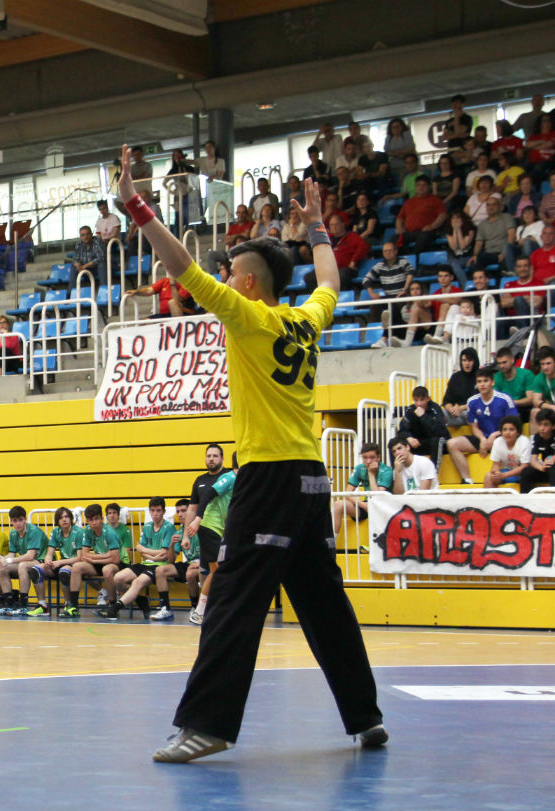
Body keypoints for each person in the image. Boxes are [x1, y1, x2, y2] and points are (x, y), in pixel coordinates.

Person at [113, 153, 385, 762]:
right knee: (324, 602)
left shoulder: (249, 317)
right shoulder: (305, 320)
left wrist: (136, 205)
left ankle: (208, 725)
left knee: (233, 598)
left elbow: (178, 265)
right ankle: (366, 717)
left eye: (232, 270)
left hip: (267, 479)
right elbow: (329, 283)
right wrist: (317, 226)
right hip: (312, 479)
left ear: (249, 282)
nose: (225, 277)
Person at [104, 496, 175, 621]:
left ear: (164, 512)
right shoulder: (147, 526)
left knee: (137, 582)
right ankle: (141, 600)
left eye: (158, 510)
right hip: (144, 563)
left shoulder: (169, 527)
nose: (156, 514)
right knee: (117, 579)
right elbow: (139, 548)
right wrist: (152, 553)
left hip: (159, 566)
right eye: (153, 510)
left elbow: (164, 554)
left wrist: (147, 552)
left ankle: (115, 607)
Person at [186, 455, 236, 626]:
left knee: (218, 571)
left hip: (219, 530)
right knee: (217, 571)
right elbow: (208, 493)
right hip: (209, 526)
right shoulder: (230, 477)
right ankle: (200, 611)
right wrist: (198, 518)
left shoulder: (240, 480)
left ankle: (212, 610)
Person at [447, 366, 519, 484]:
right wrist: (482, 439)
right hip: (483, 437)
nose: (482, 385)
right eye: (479, 382)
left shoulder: (504, 399)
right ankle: (467, 479)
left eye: (485, 381)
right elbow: (474, 427)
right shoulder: (472, 401)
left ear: (492, 382)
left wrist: (494, 437)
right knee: (452, 443)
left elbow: (514, 427)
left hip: (503, 438)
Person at [0, 505, 49, 616]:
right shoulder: (13, 534)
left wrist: (9, 560)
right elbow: (11, 554)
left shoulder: (34, 531)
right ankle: (8, 604)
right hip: (30, 561)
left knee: (22, 565)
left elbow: (30, 556)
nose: (18, 523)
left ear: (25, 519)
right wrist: (1, 558)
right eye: (15, 521)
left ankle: (23, 605)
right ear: (11, 521)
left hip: (43, 561)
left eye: (20, 520)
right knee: (2, 566)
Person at [332, 442, 393, 532]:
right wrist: (363, 505)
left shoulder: (387, 471)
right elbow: (347, 493)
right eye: (365, 457)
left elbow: (377, 497)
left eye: (372, 457)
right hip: (366, 505)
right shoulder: (359, 468)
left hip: (382, 506)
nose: (368, 461)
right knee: (338, 504)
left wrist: (371, 474)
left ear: (378, 457)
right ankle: (332, 542)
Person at [397, 386, 447, 464]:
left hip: (438, 442)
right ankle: (396, 472)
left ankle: (433, 473)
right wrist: (409, 437)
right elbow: (402, 430)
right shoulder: (411, 410)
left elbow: (440, 432)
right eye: (416, 400)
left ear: (428, 398)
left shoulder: (435, 408)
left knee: (436, 441)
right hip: (419, 443)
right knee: (394, 443)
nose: (419, 404)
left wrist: (424, 416)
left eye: (422, 400)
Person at [484, 415, 531, 488]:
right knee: (489, 476)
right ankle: (488, 499)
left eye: (511, 430)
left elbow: (524, 466)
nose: (507, 432)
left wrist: (503, 475)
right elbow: (496, 464)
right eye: (504, 430)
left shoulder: (524, 441)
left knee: (526, 474)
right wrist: (496, 473)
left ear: (518, 432)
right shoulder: (497, 441)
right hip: (505, 472)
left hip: (522, 474)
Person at [520, 410, 555, 492]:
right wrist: (541, 467)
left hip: (552, 469)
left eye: (546, 425)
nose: (542, 428)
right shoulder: (537, 437)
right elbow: (533, 459)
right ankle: (524, 500)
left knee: (552, 468)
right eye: (539, 424)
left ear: (553, 426)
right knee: (526, 471)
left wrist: (552, 459)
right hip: (546, 468)